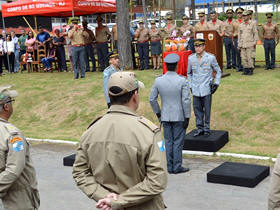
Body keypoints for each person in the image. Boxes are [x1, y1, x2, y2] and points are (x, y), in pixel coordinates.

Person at [73, 71, 167, 210]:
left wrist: (104, 196)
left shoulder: (91, 131)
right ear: (135, 96)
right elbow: (157, 181)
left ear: (110, 96)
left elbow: (80, 172)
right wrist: (119, 200)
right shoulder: (148, 132)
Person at [149, 53, 191, 174]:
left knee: (168, 141)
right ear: (177, 66)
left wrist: (158, 113)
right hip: (179, 115)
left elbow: (152, 99)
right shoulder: (182, 80)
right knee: (178, 141)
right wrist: (187, 116)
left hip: (165, 115)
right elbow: (186, 100)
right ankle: (177, 166)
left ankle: (169, 165)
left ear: (166, 66)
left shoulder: (158, 81)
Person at [0, 85, 40, 210]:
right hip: (16, 198)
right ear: (6, 106)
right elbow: (14, 169)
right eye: (11, 102)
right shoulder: (12, 135)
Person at [187, 39, 221, 137]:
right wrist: (190, 85)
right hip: (195, 88)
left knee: (207, 109)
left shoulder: (210, 58)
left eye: (200, 46)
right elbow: (189, 73)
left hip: (206, 88)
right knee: (197, 109)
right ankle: (199, 128)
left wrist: (216, 83)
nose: (197, 48)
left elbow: (218, 71)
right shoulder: (191, 58)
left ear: (204, 46)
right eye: (196, 46)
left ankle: (206, 128)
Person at [238, 10, 259, 75]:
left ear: (248, 16)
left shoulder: (253, 23)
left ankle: (250, 70)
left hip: (250, 43)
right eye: (243, 16)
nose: (244, 17)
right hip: (242, 44)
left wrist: (255, 42)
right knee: (243, 58)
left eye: (245, 15)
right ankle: (245, 69)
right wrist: (239, 44)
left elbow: (255, 33)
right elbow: (239, 35)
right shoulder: (241, 25)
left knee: (250, 57)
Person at [233, 7, 244, 72]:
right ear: (237, 14)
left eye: (240, 13)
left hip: (244, 39)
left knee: (244, 53)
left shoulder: (245, 21)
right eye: (238, 13)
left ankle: (245, 66)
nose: (239, 14)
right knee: (238, 53)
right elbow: (232, 31)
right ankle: (239, 66)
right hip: (236, 38)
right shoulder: (234, 22)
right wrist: (233, 41)